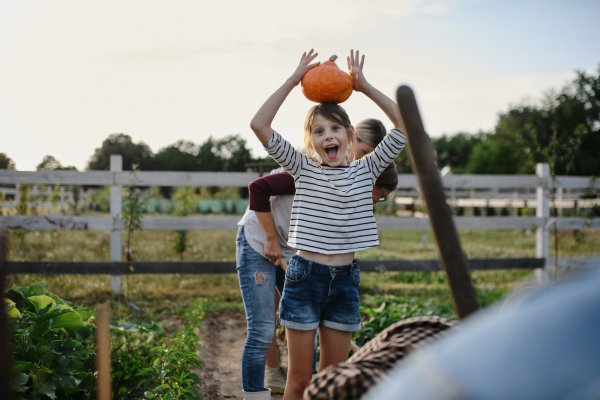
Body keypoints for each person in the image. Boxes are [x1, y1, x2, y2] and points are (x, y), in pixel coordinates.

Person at [249, 49, 406, 400]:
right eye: (318, 131)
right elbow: (259, 125)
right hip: (306, 278)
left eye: (335, 128)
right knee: (301, 379)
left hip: (345, 282)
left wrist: (364, 87)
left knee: (332, 381)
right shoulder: (303, 169)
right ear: (310, 143)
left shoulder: (366, 170)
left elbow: (405, 126)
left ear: (350, 135)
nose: (328, 136)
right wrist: (293, 80)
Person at [237, 146, 399, 399]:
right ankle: (256, 394)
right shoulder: (317, 173)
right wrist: (270, 239)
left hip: (291, 250)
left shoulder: (349, 197)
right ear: (372, 179)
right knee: (262, 329)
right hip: (258, 240)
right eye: (382, 195)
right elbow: (258, 188)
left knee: (305, 329)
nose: (377, 201)